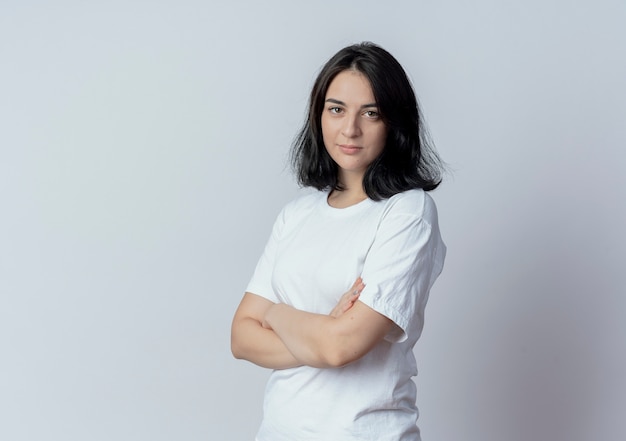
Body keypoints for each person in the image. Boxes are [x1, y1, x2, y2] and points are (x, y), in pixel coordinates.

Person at [231, 42, 447, 441]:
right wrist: (322, 331)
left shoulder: (407, 213)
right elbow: (241, 337)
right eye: (337, 109)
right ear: (318, 116)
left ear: (394, 123)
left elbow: (341, 346)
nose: (351, 129)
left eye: (371, 113)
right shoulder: (296, 215)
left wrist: (276, 314)